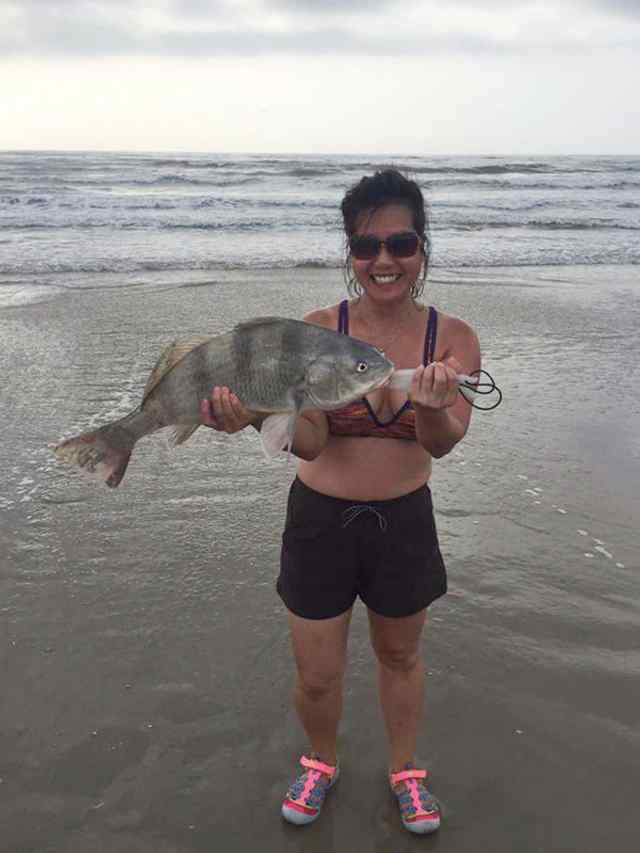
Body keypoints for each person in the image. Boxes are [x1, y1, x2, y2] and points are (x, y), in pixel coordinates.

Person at [200, 169, 480, 835]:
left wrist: (433, 406)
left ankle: (406, 771)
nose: (384, 261)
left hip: (404, 521)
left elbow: (443, 444)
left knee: (401, 657)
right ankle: (320, 761)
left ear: (421, 248)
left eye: (401, 242)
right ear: (350, 252)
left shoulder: (454, 339)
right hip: (320, 522)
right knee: (318, 673)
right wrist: (247, 418)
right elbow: (313, 437)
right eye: (366, 246)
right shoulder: (320, 329)